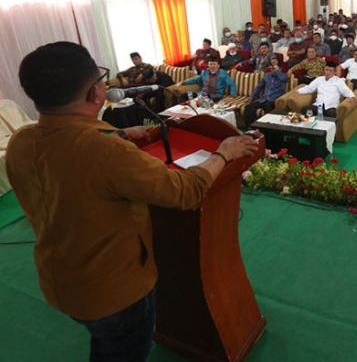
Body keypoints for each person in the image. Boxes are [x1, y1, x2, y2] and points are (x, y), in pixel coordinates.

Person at [7, 42, 259, 362]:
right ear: (94, 94)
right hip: (114, 291)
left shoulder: (21, 142)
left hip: (60, 280)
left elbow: (69, 163)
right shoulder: (106, 152)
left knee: (105, 344)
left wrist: (123, 135)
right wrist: (224, 153)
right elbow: (184, 191)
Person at [243, 57, 288, 127]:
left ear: (279, 68)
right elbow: (259, 87)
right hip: (263, 99)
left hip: (273, 100)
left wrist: (277, 71)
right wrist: (252, 97)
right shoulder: (267, 76)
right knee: (248, 107)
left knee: (268, 108)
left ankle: (267, 130)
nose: (273, 69)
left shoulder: (283, 75)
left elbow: (283, 79)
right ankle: (250, 128)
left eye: (275, 67)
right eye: (271, 67)